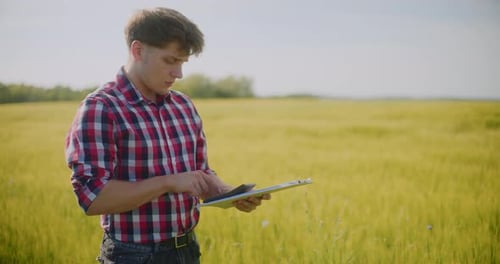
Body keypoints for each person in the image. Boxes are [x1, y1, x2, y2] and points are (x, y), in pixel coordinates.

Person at [65, 7, 270, 263]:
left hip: (187, 249)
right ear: (138, 51)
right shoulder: (101, 107)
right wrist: (168, 182)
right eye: (170, 61)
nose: (179, 73)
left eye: (182, 62)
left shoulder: (183, 105)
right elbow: (93, 199)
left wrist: (231, 194)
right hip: (133, 256)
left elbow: (199, 173)